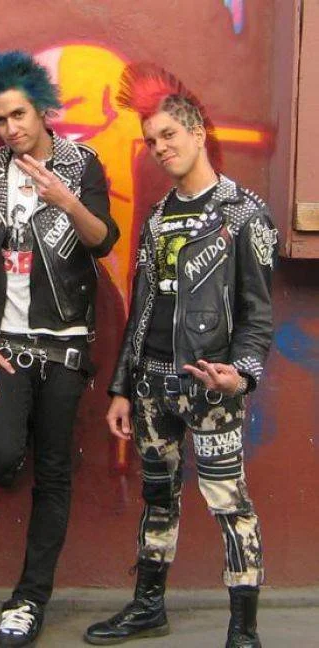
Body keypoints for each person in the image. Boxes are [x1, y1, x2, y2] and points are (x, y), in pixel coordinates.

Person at [84, 63, 276, 648]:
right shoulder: (159, 217)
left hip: (210, 388)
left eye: (168, 135)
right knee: (157, 499)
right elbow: (142, 308)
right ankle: (148, 607)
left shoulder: (243, 213)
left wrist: (240, 375)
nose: (159, 148)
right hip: (151, 387)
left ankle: (243, 630)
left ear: (197, 132)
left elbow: (257, 314)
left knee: (229, 503)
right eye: (151, 141)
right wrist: (122, 387)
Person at [0, 50, 119, 647]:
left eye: (19, 114)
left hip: (65, 346)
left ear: (42, 110)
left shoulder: (81, 164)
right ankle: (11, 443)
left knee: (54, 473)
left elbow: (103, 241)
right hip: (4, 345)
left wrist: (67, 201)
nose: (11, 128)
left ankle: (29, 599)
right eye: (0, 119)